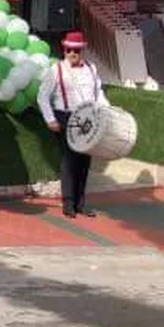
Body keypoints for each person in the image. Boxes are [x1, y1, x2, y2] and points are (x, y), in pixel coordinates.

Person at [37, 31, 109, 219]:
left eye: (75, 50)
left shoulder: (91, 68)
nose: (72, 53)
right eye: (68, 50)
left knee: (84, 161)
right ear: (64, 49)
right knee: (69, 161)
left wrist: (105, 109)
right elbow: (42, 96)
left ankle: (80, 204)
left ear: (81, 50)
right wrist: (50, 119)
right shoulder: (56, 70)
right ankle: (68, 203)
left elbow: (98, 92)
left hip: (88, 117)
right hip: (66, 117)